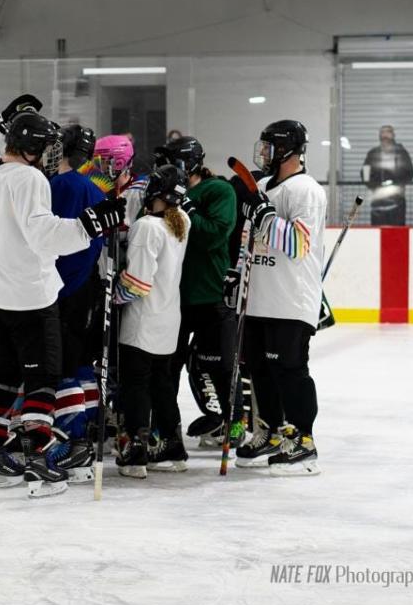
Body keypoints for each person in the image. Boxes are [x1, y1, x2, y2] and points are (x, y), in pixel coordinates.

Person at [0, 98, 125, 498]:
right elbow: (44, 235)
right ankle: (39, 461)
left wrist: (6, 122)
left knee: (3, 377)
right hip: (31, 298)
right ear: (33, 148)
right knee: (42, 378)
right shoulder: (30, 180)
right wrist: (89, 225)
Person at [235, 119, 326, 476]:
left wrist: (265, 216)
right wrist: (237, 271)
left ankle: (303, 439)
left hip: (290, 299)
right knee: (260, 369)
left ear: (288, 150)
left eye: (270, 147)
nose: (264, 154)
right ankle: (270, 430)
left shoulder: (306, 191)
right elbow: (249, 238)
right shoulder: (260, 186)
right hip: (259, 296)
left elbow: (298, 244)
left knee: (289, 369)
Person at [155, 137, 239, 457]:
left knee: (219, 364)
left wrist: (185, 205)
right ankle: (166, 429)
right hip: (173, 297)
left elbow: (214, 235)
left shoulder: (218, 191)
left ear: (189, 163)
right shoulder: (168, 192)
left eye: (174, 163)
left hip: (210, 294)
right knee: (167, 366)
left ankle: (232, 422)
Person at [114, 165, 190, 478]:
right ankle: (173, 446)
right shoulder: (182, 220)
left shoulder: (147, 226)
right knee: (161, 385)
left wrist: (113, 294)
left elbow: (137, 283)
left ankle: (135, 452)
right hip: (169, 318)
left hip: (142, 321)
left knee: (136, 385)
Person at [46, 123, 105, 483]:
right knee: (81, 359)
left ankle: (74, 438)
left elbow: (50, 240)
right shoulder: (94, 188)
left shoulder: (57, 186)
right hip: (88, 287)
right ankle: (91, 427)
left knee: (63, 363)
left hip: (62, 288)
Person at [361, 125, 413, 226]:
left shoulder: (401, 153)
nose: (385, 135)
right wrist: (373, 186)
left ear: (393, 135)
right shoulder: (373, 154)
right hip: (378, 198)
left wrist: (398, 184)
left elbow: (410, 173)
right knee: (378, 230)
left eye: (388, 132)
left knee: (397, 230)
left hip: (397, 199)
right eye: (382, 132)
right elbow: (365, 172)